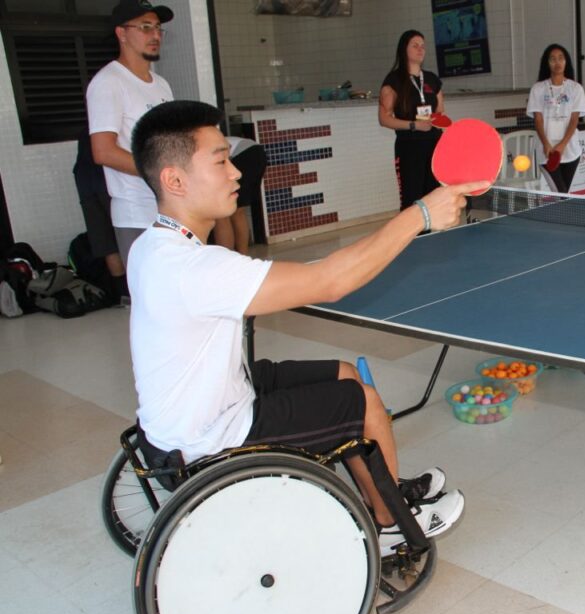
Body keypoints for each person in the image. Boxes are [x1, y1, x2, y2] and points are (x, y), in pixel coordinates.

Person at [128, 100, 488, 553]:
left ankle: (384, 487)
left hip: (189, 413)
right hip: (208, 438)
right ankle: (389, 525)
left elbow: (302, 276)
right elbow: (331, 282)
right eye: (220, 161)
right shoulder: (195, 269)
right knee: (364, 402)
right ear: (174, 180)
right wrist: (422, 215)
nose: (237, 173)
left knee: (343, 372)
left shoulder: (152, 246)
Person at [86, 0, 174, 269]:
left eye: (158, 28)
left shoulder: (161, 84)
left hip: (170, 208)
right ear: (121, 33)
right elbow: (103, 151)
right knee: (152, 301)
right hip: (137, 213)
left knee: (177, 299)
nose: (155, 35)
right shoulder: (108, 83)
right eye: (145, 27)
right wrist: (161, 174)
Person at [378, 30, 445, 214]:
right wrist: (414, 125)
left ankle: (434, 237)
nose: (420, 49)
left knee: (434, 195)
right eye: (415, 45)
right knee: (412, 198)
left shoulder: (432, 79)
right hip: (409, 147)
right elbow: (384, 119)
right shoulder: (394, 81)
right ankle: (413, 239)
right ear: (403, 49)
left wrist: (441, 122)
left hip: (433, 145)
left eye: (422, 46)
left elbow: (440, 111)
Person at [73, 129, 130, 302]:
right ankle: (138, 292)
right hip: (110, 177)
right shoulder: (117, 127)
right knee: (129, 235)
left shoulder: (91, 128)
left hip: (85, 177)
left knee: (107, 243)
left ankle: (124, 295)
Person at [526, 44, 585, 194]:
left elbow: (574, 120)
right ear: (547, 63)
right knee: (561, 193)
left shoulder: (576, 89)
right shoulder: (538, 89)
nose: (557, 62)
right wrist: (546, 144)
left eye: (561, 58)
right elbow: (538, 119)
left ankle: (565, 216)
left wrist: (562, 145)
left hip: (570, 150)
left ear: (566, 62)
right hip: (547, 151)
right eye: (552, 59)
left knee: (563, 194)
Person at [211, 137, 267, 255]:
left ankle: (227, 257)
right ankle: (243, 254)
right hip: (257, 152)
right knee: (238, 211)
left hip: (243, 155)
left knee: (221, 214)